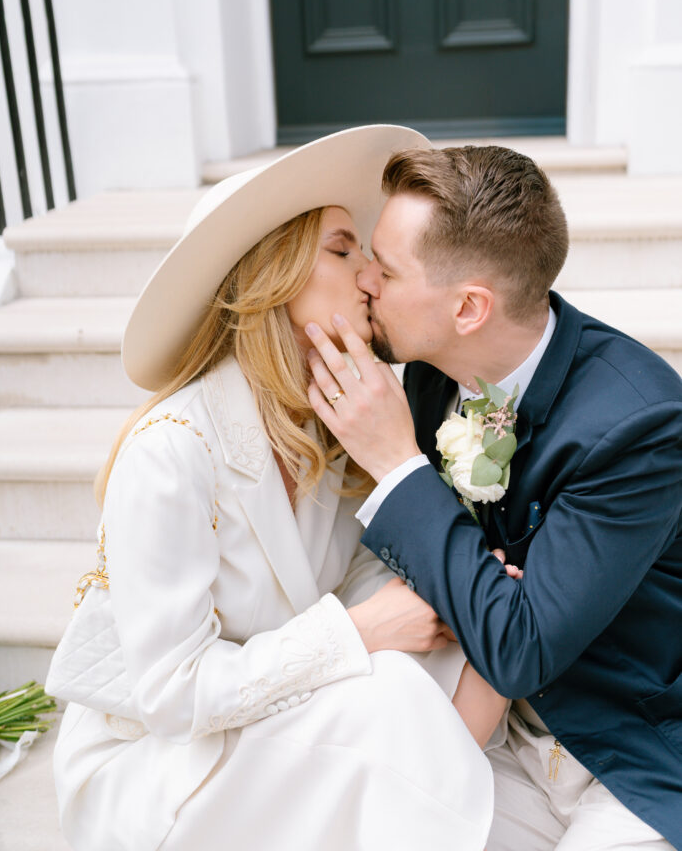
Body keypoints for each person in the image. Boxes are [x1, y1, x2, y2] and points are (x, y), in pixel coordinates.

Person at [49, 127, 496, 851]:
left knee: (453, 644)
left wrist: (413, 606)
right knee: (383, 703)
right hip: (157, 763)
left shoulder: (324, 425)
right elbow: (172, 693)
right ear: (274, 272)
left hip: (264, 720)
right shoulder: (172, 450)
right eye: (342, 249)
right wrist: (359, 631)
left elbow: (355, 576)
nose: (369, 277)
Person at [305, 144, 682, 851]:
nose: (363, 282)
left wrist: (396, 467)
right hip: (492, 735)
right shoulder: (425, 375)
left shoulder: (638, 425)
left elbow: (520, 647)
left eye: (384, 270)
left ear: (469, 307)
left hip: (629, 756)